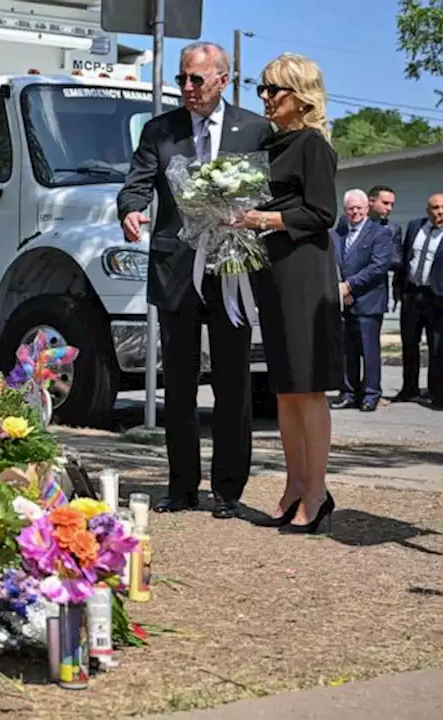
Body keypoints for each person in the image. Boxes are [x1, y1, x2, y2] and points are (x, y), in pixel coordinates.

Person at [116, 41, 273, 519]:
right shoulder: (160, 130)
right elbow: (137, 181)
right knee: (179, 384)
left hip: (231, 272)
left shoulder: (256, 130)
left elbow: (273, 192)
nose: (186, 88)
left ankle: (228, 488)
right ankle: (181, 486)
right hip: (177, 268)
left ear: (222, 80)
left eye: (196, 80)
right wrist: (132, 210)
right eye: (182, 78)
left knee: (232, 382)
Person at [228, 53, 341, 534]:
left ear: (301, 95)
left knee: (308, 387)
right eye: (263, 89)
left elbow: (322, 213)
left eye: (276, 90)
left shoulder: (312, 145)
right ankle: (295, 484)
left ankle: (317, 492)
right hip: (272, 271)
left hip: (304, 271)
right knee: (285, 388)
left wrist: (265, 219)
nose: (267, 99)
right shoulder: (273, 144)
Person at [330, 189, 393, 412]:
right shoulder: (337, 234)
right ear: (345, 210)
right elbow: (331, 264)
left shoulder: (380, 233)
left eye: (359, 208)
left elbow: (378, 267)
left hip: (368, 301)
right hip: (342, 300)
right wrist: (340, 288)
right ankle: (348, 392)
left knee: (369, 350)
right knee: (347, 350)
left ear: (367, 208)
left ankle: (371, 394)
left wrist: (350, 286)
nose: (355, 212)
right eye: (350, 208)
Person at [395, 194, 443, 406]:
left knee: (436, 347)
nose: (439, 212)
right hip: (412, 295)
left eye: (442, 207)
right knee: (409, 343)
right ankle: (409, 388)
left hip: (436, 298)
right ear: (427, 210)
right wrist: (399, 288)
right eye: (434, 208)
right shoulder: (416, 226)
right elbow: (406, 258)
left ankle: (436, 391)